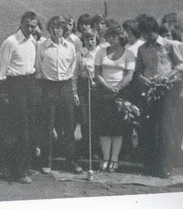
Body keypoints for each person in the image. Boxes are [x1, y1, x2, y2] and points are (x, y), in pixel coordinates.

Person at [135, 15, 183, 179]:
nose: (146, 37)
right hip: (149, 89)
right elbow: (138, 71)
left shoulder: (169, 45)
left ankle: (164, 167)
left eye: (148, 33)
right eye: (143, 34)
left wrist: (166, 76)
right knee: (149, 127)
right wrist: (144, 79)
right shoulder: (141, 49)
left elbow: (179, 65)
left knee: (164, 127)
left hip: (167, 89)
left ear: (155, 30)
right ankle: (150, 164)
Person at [35, 16, 82, 174]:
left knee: (69, 126)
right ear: (49, 29)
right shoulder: (42, 46)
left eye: (60, 28)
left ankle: (71, 161)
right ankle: (47, 160)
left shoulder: (70, 46)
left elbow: (73, 69)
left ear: (64, 30)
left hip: (66, 87)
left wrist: (73, 91)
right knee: (48, 125)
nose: (56, 31)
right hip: (49, 87)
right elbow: (38, 68)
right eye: (54, 28)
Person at [0, 11, 37, 184]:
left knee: (29, 127)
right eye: (27, 25)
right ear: (21, 23)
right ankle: (17, 170)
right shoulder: (10, 42)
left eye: (33, 26)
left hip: (29, 84)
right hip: (14, 86)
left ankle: (25, 166)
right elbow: (1, 71)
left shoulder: (33, 41)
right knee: (18, 129)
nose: (30, 28)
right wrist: (4, 93)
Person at [94, 23, 135, 173]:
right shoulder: (101, 52)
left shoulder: (128, 53)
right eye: (109, 36)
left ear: (120, 37)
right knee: (105, 128)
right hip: (103, 93)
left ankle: (115, 159)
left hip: (121, 94)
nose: (111, 39)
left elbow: (129, 75)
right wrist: (107, 87)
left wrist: (117, 88)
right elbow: (97, 73)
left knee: (118, 128)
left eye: (114, 36)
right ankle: (105, 158)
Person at [73, 30, 100, 160]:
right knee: (85, 119)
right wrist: (75, 92)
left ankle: (95, 149)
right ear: (83, 41)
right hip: (83, 87)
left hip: (98, 87)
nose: (91, 42)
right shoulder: (80, 54)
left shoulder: (101, 53)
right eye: (88, 39)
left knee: (96, 119)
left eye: (93, 38)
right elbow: (75, 75)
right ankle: (85, 149)